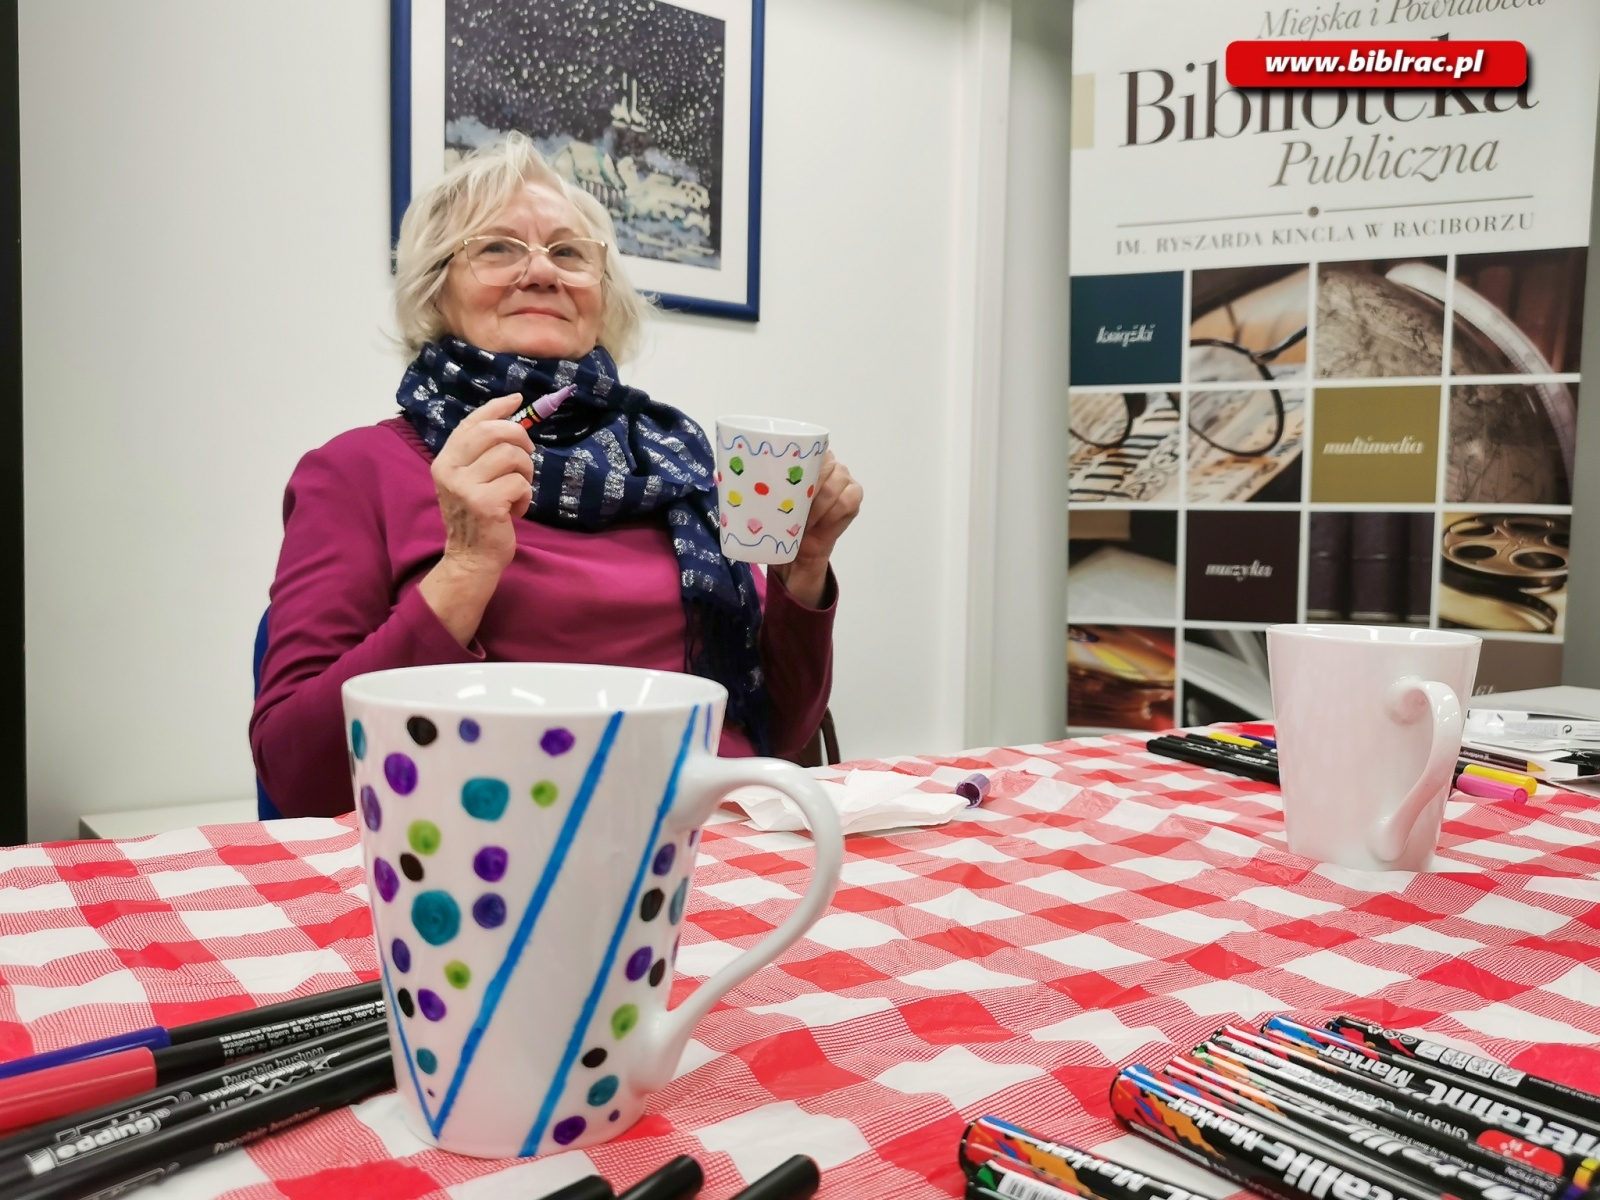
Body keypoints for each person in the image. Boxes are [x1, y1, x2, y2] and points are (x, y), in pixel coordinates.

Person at [250, 133, 861, 818]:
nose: (541, 273)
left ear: (601, 297)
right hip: (509, 852)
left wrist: (801, 572)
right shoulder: (358, 471)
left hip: (721, 837)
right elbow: (297, 772)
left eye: (568, 253)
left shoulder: (675, 464)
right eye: (497, 248)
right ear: (435, 290)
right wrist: (464, 569)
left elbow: (778, 730)